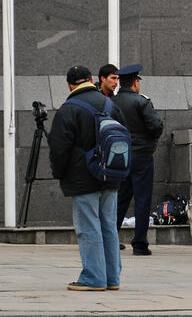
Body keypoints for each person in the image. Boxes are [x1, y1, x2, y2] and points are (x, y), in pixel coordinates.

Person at [48, 65, 124, 291]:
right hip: (111, 175)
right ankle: (112, 278)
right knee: (109, 227)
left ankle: (93, 278)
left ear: (70, 85)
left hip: (82, 178)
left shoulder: (68, 109)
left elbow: (59, 148)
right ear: (91, 79)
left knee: (89, 228)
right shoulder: (111, 104)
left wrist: (60, 174)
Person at [112, 64, 163, 256]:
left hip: (119, 156)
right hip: (142, 156)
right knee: (142, 200)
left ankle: (111, 237)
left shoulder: (112, 102)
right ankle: (140, 243)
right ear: (135, 82)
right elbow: (156, 126)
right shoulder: (141, 102)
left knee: (119, 199)